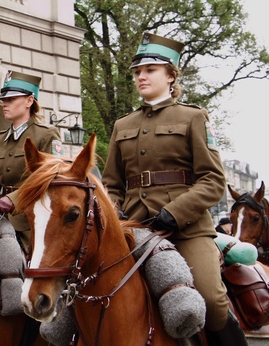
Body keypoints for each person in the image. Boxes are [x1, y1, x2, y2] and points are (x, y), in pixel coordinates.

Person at [101, 33, 248, 345]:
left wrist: (175, 212)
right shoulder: (122, 125)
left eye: (150, 70)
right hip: (135, 228)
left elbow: (212, 180)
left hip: (186, 229)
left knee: (210, 300)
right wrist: (113, 212)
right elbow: (111, 184)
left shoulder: (193, 117)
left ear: (171, 75)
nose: (141, 76)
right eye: (138, 71)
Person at [0, 70, 62, 252]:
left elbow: (50, 177)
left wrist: (14, 199)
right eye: (3, 100)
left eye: (11, 99)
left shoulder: (46, 134)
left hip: (33, 223)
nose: (4, 104)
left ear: (29, 101)